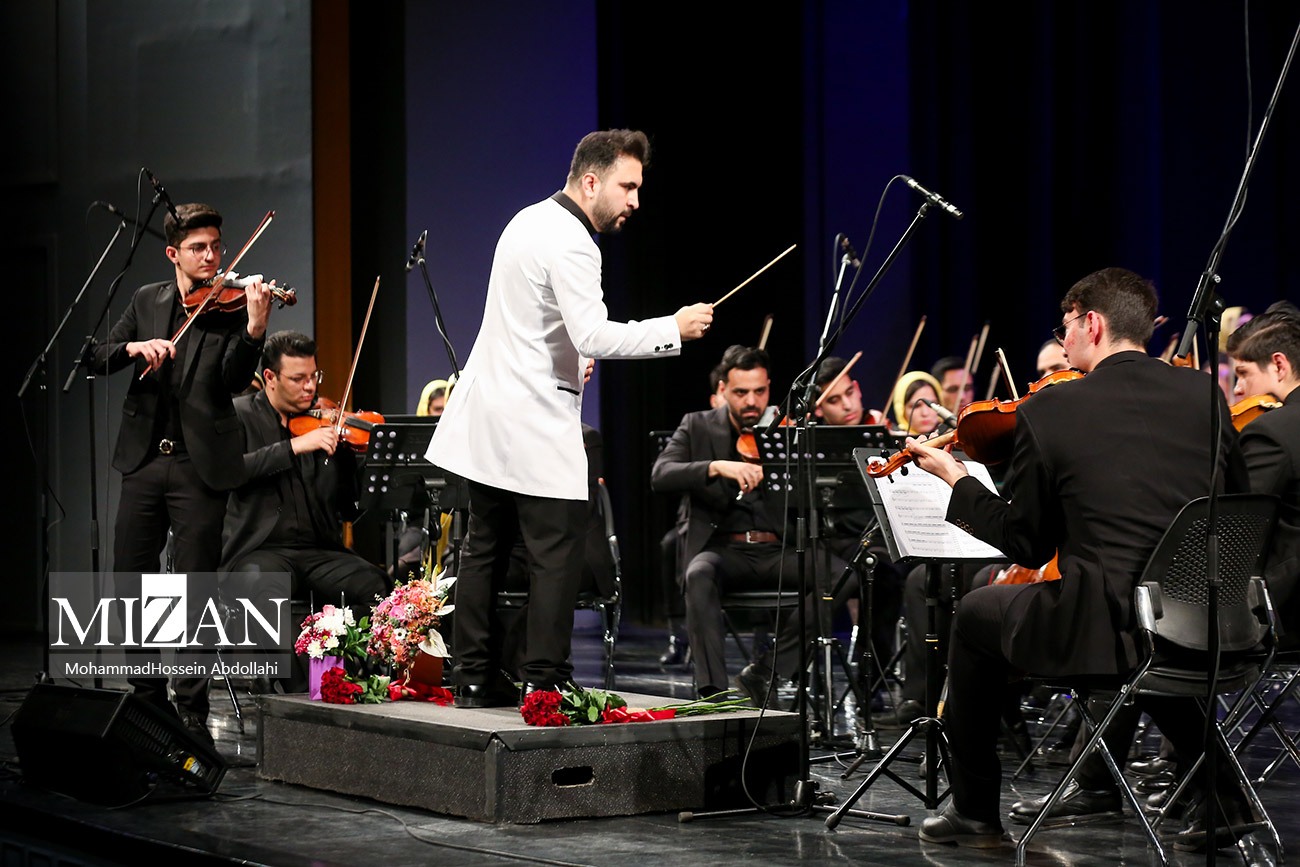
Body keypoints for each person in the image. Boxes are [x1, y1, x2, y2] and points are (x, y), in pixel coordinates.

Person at [904, 267, 1253, 850]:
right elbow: (1238, 502)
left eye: (1064, 327)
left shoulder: (1054, 408)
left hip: (1105, 625)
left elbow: (1026, 543)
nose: (1062, 342)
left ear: (1091, 323)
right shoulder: (1204, 394)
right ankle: (1224, 798)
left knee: (977, 613)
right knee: (1153, 643)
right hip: (1206, 614)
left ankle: (974, 810)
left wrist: (957, 480)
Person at [427, 129, 713, 708]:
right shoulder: (576, 242)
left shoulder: (526, 219)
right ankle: (545, 678)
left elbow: (530, 323)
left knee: (484, 547)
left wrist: (569, 356)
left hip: (488, 415)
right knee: (557, 554)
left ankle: (473, 677)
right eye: (627, 186)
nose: (635, 200)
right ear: (591, 180)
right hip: (531, 421)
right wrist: (672, 329)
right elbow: (592, 333)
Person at [88, 202, 272, 743]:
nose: (212, 257)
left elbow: (234, 381)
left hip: (199, 466)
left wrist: (255, 329)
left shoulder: (232, 306)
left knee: (197, 589)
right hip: (144, 461)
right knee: (131, 580)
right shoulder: (147, 300)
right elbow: (95, 356)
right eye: (198, 248)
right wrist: (132, 346)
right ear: (174, 253)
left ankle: (190, 706)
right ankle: (147, 699)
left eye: (216, 246)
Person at [221, 331, 390, 686]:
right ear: (270, 377)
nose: (310, 387)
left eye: (314, 376)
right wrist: (294, 447)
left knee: (376, 587)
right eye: (298, 379)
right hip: (261, 549)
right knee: (262, 588)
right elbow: (230, 471)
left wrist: (347, 461)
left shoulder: (325, 423)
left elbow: (348, 509)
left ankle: (336, 668)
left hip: (318, 550)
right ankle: (298, 693)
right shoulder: (240, 415)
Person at [1227, 301, 1300, 647]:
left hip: (1288, 614)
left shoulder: (1272, 431)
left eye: (1243, 374)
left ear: (1279, 365)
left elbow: (1237, 528)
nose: (1238, 390)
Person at [889, 371, 946, 435]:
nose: (925, 413)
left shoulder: (949, 433)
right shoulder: (894, 437)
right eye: (916, 406)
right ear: (901, 409)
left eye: (932, 405)